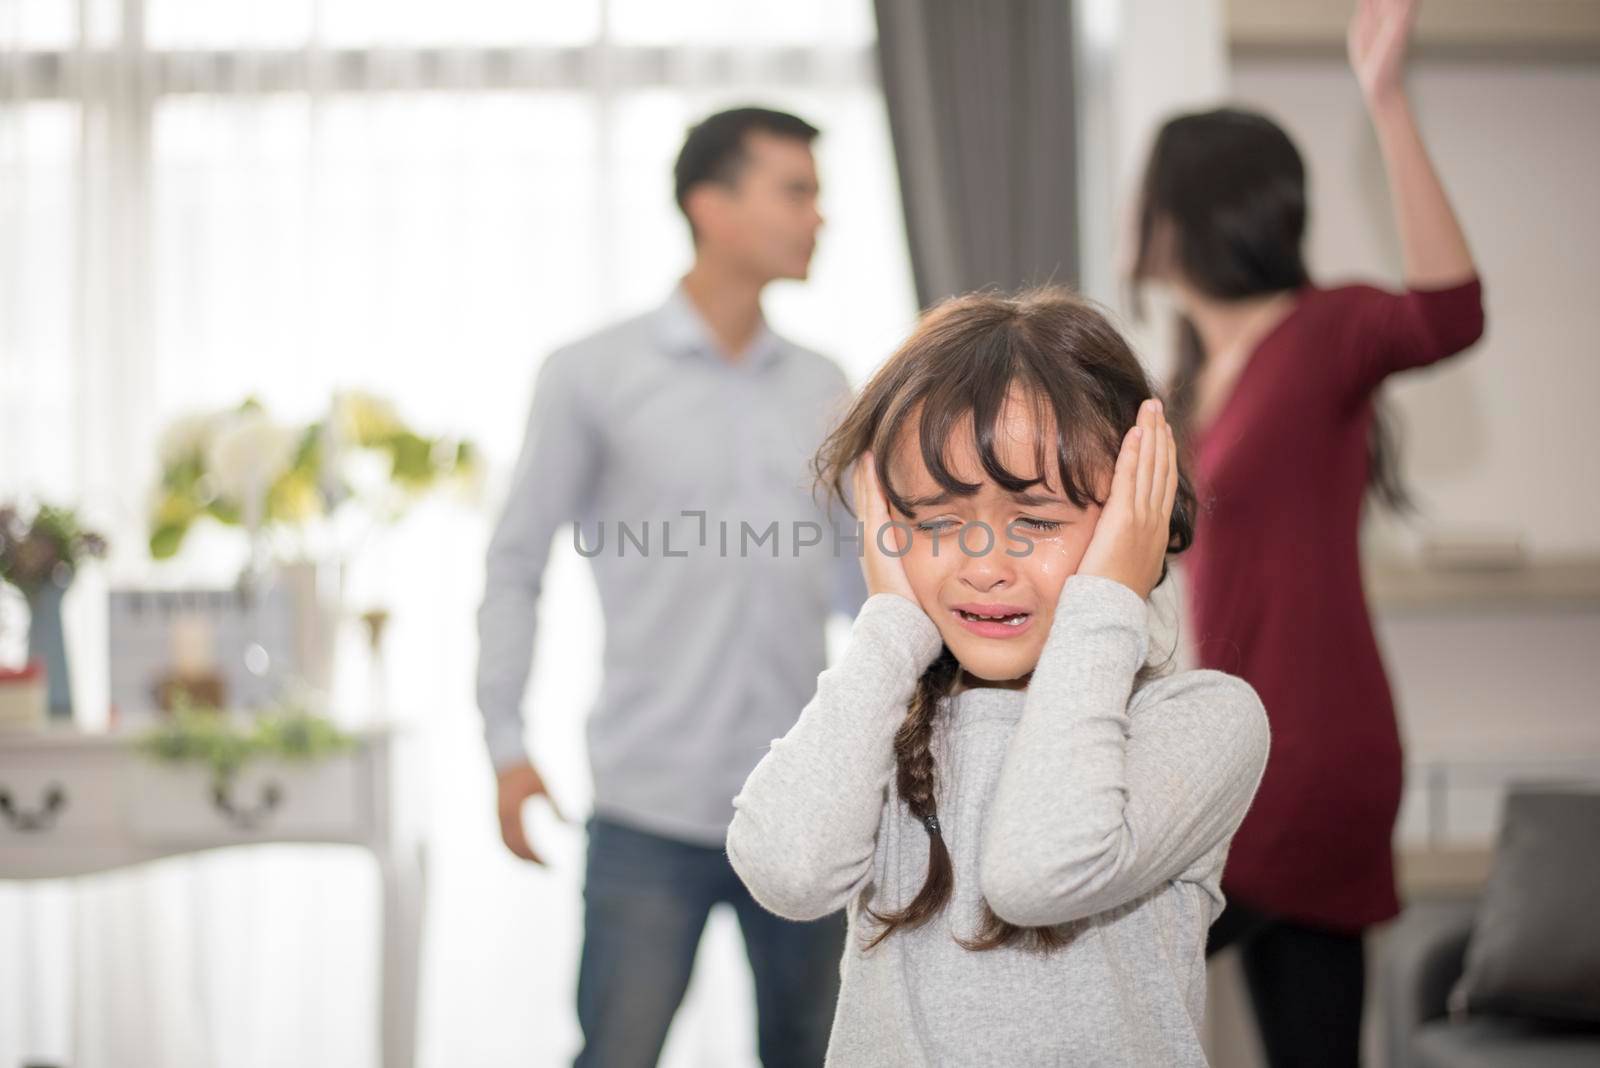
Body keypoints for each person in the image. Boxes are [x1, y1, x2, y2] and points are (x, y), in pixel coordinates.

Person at [725, 288, 1271, 1066]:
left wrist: (1109, 596)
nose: (984, 567)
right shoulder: (879, 720)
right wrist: (890, 625)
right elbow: (787, 870)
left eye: (1038, 522)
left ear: (1133, 521)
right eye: (938, 522)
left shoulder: (1202, 720)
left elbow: (1039, 872)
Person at [1127, 1, 1486, 1063]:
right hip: (1234, 749)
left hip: (1304, 754)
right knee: (1308, 1040)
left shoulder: (1322, 333)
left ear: (1187, 214)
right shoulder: (1186, 382)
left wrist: (1385, 103)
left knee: (1099, 975)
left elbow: (1450, 313)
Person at [477, 106, 867, 1068]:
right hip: (649, 809)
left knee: (818, 1057)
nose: (819, 217)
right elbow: (516, 562)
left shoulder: (828, 385)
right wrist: (506, 744)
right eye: (797, 191)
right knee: (617, 1053)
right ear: (713, 206)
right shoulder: (590, 375)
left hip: (801, 806)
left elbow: (865, 586)